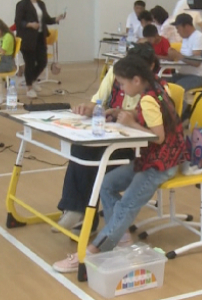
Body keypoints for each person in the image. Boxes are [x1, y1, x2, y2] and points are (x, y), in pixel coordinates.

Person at [52, 55, 186, 272]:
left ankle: (88, 254)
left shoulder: (148, 99)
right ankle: (120, 237)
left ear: (136, 80)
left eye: (123, 84)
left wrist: (131, 123)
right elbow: (152, 115)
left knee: (126, 206)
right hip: (151, 157)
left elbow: (159, 137)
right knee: (107, 184)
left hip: (161, 163)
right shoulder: (156, 87)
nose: (121, 89)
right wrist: (122, 113)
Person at [51, 44, 161, 239]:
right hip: (113, 134)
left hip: (135, 146)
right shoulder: (118, 72)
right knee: (82, 148)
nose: (123, 86)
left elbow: (154, 128)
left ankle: (82, 214)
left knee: (97, 160)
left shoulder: (156, 90)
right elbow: (98, 101)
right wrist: (91, 109)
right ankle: (78, 211)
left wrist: (128, 116)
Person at [15, 0, 65, 98]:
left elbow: (46, 19)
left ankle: (32, 80)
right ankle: (29, 88)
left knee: (43, 61)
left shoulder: (41, 4)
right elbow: (18, 21)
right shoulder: (22, 4)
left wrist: (56, 19)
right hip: (28, 38)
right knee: (30, 63)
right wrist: (30, 24)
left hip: (40, 37)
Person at [166, 13, 202, 92]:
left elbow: (196, 62)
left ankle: (178, 101)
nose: (177, 31)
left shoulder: (198, 37)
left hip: (196, 76)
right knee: (162, 84)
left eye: (178, 28)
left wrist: (178, 55)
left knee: (174, 90)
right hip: (181, 74)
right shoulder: (185, 38)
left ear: (187, 27)